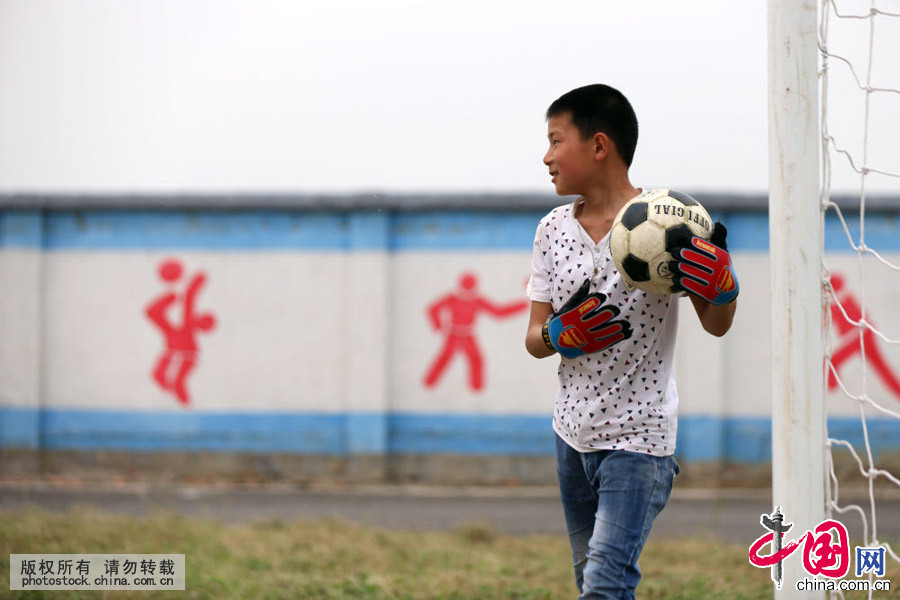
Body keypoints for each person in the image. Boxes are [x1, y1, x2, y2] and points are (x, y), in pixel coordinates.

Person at [524, 84, 738, 599]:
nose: (546, 156)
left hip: (638, 444)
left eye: (556, 140)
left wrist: (724, 288)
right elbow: (533, 337)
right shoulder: (552, 230)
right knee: (595, 582)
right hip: (571, 436)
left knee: (602, 586)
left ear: (599, 146)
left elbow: (717, 322)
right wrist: (559, 334)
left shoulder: (671, 222)